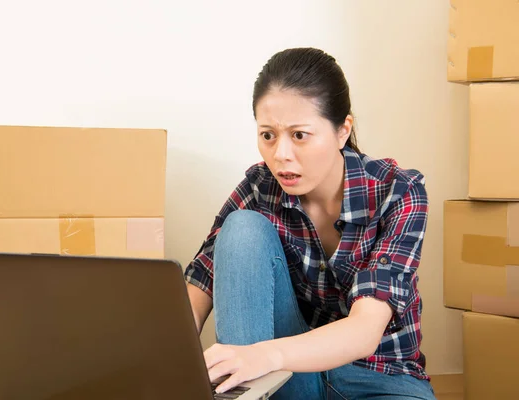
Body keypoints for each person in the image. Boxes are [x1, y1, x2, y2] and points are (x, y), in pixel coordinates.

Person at [183, 47, 436, 400]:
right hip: (286, 378)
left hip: (379, 378)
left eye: (299, 135)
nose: (280, 154)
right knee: (241, 229)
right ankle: (241, 395)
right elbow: (196, 291)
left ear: (342, 130)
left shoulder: (399, 191)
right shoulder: (260, 188)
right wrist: (155, 363)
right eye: (268, 135)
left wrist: (264, 355)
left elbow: (365, 331)